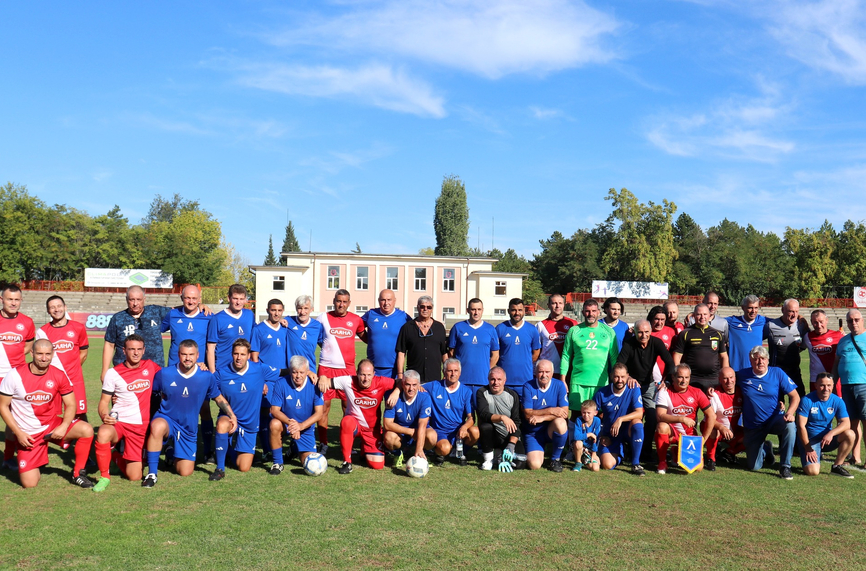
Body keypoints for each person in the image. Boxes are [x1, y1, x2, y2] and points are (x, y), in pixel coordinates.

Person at [0, 339, 94, 488]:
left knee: (86, 430)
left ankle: (78, 474)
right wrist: (18, 433)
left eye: (47, 354)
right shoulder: (14, 375)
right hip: (28, 434)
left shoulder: (58, 374)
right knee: (29, 484)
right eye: (39, 354)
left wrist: (64, 426)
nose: (44, 358)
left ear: (53, 354)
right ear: (31, 353)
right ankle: (36, 458)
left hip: (51, 425)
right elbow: (3, 407)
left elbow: (71, 404)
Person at [142, 340, 236, 487]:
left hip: (188, 428)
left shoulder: (206, 377)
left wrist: (232, 415)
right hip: (167, 420)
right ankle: (152, 474)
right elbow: (150, 395)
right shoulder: (164, 374)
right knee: (157, 426)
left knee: (185, 471)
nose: (187, 358)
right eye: (184, 354)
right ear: (178, 354)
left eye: (191, 355)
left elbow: (218, 398)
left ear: (197, 355)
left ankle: (170, 453)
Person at [92, 334, 160, 491]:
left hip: (139, 426)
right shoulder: (113, 373)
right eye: (131, 349)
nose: (135, 353)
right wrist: (104, 415)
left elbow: (172, 374)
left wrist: (199, 364)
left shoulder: (150, 366)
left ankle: (114, 456)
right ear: (124, 351)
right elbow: (103, 402)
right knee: (103, 432)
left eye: (138, 349)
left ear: (144, 350)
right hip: (119, 422)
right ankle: (104, 477)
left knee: (134, 476)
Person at [210, 339, 280, 481]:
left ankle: (229, 450)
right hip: (229, 417)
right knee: (222, 424)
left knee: (244, 467)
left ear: (249, 356)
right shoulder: (222, 373)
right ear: (232, 354)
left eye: (242, 354)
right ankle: (220, 469)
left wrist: (308, 372)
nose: (238, 357)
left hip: (249, 425)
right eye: (236, 354)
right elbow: (212, 390)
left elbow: (283, 372)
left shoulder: (259, 369)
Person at [316, 359, 396, 474]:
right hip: (355, 426)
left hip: (372, 431)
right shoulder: (348, 380)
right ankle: (347, 462)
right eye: (362, 374)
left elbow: (400, 382)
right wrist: (323, 377)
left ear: (374, 374)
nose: (365, 378)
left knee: (377, 465)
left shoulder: (381, 382)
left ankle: (364, 448)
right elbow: (326, 382)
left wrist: (396, 392)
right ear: (357, 373)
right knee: (346, 421)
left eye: (369, 375)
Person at [204, 284, 255, 462]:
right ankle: (218, 449)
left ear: (246, 300)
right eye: (235, 298)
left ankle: (240, 446)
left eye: (242, 299)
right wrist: (212, 374)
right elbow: (211, 348)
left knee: (244, 407)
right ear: (228, 298)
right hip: (223, 373)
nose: (238, 302)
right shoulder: (218, 319)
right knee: (223, 410)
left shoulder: (249, 315)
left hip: (244, 372)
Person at [314, 289, 365, 455]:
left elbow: (368, 338)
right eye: (338, 301)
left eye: (344, 302)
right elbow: (311, 333)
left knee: (348, 407)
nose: (341, 304)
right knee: (324, 407)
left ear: (349, 303)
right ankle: (324, 443)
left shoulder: (356, 320)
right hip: (326, 369)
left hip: (348, 370)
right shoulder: (323, 318)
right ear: (334, 301)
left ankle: (348, 442)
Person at [616, 318, 675, 461]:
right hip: (630, 386)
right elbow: (619, 364)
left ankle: (646, 450)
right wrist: (628, 377)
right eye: (640, 332)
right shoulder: (629, 344)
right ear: (634, 332)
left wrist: (666, 380)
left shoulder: (656, 343)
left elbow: (670, 362)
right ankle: (629, 448)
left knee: (652, 417)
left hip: (649, 386)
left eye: (646, 332)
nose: (643, 335)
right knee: (632, 417)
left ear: (650, 332)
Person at [738, 345, 800, 480]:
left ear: (768, 360)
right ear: (750, 361)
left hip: (774, 420)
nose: (760, 362)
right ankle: (766, 449)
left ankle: (785, 466)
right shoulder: (742, 375)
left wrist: (789, 413)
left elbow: (795, 396)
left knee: (790, 426)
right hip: (753, 425)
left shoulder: (777, 372)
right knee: (754, 466)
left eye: (763, 358)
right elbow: (728, 383)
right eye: (756, 359)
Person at [560, 299, 618, 416]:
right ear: (582, 312)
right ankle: (575, 435)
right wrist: (563, 380)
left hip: (601, 382)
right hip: (578, 382)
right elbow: (566, 356)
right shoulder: (574, 331)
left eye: (593, 311)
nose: (590, 314)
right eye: (587, 311)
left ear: (598, 312)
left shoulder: (609, 332)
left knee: (600, 415)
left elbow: (614, 358)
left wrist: (615, 379)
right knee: (577, 415)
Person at [654, 364, 716, 474]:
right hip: (672, 433)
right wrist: (681, 419)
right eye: (680, 377)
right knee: (661, 426)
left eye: (687, 377)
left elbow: (711, 415)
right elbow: (660, 416)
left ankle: (676, 451)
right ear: (673, 377)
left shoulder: (697, 392)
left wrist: (703, 440)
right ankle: (662, 462)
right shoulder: (664, 391)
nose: (684, 381)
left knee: (698, 468)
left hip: (689, 437)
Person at [267, 356, 324, 475]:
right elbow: (274, 410)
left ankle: (294, 448)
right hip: (286, 423)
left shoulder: (314, 385)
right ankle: (278, 463)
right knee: (274, 424)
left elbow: (319, 413)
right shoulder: (281, 383)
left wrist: (301, 426)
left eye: (302, 372)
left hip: (305, 427)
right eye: (295, 372)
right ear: (290, 370)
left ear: (307, 372)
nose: (298, 376)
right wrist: (293, 424)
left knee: (307, 463)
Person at [1, 284, 36, 470]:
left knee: (13, 419)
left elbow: (29, 343)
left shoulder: (27, 322)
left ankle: (8, 458)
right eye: (9, 299)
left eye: (16, 300)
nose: (13, 303)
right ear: (2, 300)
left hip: (15, 378)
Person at [37, 295, 90, 419]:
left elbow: (84, 352)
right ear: (48, 311)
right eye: (52, 307)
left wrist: (72, 369)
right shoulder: (42, 332)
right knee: (53, 416)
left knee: (79, 416)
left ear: (65, 307)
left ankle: (79, 438)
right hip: (52, 381)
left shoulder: (78, 328)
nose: (57, 309)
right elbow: (41, 358)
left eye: (59, 306)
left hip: (74, 380)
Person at [102, 285, 171, 378]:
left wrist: (197, 303)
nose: (135, 303)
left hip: (154, 372)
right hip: (125, 374)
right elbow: (109, 344)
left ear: (144, 299)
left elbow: (180, 311)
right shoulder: (117, 318)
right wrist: (104, 371)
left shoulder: (156, 312)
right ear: (126, 299)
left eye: (138, 299)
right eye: (132, 300)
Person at [250, 298, 289, 456]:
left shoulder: (286, 328)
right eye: (273, 310)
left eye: (279, 310)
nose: (276, 313)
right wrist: (261, 381)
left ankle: (281, 447)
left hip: (285, 379)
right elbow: (254, 358)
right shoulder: (259, 330)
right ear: (267, 310)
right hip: (268, 380)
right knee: (266, 413)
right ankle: (266, 449)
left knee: (285, 413)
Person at [797, 372, 855, 478]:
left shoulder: (837, 401)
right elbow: (801, 426)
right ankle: (805, 452)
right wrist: (808, 448)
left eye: (829, 385)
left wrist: (831, 433)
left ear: (833, 386)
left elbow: (846, 423)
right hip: (810, 441)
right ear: (816, 385)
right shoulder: (806, 400)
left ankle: (837, 466)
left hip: (827, 440)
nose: (826, 388)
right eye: (822, 385)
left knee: (850, 434)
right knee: (813, 472)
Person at [593, 363, 646, 475]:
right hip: (610, 433)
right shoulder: (602, 392)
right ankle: (623, 451)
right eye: (616, 376)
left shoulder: (633, 389)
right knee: (607, 465)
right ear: (611, 376)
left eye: (622, 377)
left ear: (627, 376)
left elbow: (639, 413)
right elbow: (593, 416)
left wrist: (620, 419)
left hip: (628, 430)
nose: (620, 380)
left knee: (638, 423)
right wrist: (601, 436)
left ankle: (635, 464)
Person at [424, 358, 478, 467]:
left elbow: (471, 418)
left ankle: (459, 451)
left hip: (458, 432)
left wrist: (464, 427)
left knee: (475, 432)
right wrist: (397, 391)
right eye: (449, 371)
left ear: (460, 372)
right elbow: (414, 385)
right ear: (444, 372)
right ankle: (438, 451)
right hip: (440, 431)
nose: (453, 374)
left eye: (456, 371)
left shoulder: (466, 391)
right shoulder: (434, 386)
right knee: (444, 449)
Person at [521, 360, 569, 472]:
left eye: (547, 372)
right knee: (535, 465)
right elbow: (527, 413)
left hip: (550, 429)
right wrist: (551, 410)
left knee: (561, 423)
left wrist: (541, 417)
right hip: (533, 432)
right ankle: (535, 447)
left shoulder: (559, 385)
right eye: (541, 372)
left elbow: (564, 413)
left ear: (552, 373)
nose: (544, 375)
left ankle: (555, 459)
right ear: (536, 372)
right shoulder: (528, 386)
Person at [832, 309, 866, 466]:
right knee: (851, 423)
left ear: (862, 320)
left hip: (863, 386)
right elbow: (836, 364)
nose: (854, 323)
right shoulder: (843, 341)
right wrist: (833, 383)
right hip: (846, 386)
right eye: (850, 321)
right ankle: (855, 456)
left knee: (865, 422)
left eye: (856, 319)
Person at [448, 298, 499, 401]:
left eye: (479, 309)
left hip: (482, 381)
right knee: (460, 413)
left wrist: (486, 370)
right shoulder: (458, 327)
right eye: (473, 309)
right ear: (468, 310)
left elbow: (495, 354)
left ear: (482, 310)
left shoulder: (490, 329)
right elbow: (451, 352)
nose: (476, 312)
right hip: (462, 380)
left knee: (481, 414)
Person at [475, 366, 524, 471]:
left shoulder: (512, 395)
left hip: (508, 436)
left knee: (520, 464)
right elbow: (484, 414)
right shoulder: (482, 392)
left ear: (505, 381)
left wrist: (511, 445)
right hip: (492, 436)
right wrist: (502, 417)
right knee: (485, 426)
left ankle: (500, 455)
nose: (495, 382)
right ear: (488, 380)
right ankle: (488, 459)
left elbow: (517, 422)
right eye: (492, 379)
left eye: (499, 379)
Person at [672, 303, 729, 391]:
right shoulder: (685, 333)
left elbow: (723, 356)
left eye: (705, 314)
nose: (702, 317)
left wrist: (725, 375)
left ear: (709, 315)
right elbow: (677, 356)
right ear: (694, 316)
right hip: (693, 379)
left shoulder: (717, 334)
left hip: (713, 379)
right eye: (699, 314)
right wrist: (677, 375)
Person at [383, 369, 433, 467]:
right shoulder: (393, 397)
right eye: (407, 384)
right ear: (402, 384)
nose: (411, 388)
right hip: (401, 434)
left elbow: (422, 425)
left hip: (418, 431)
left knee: (432, 436)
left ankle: (421, 454)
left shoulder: (425, 397)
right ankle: (398, 454)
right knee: (389, 437)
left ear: (419, 385)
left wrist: (419, 448)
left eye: (414, 385)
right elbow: (387, 424)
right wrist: (410, 431)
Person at [396, 296, 449, 384]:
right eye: (422, 306)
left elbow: (444, 353)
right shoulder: (407, 327)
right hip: (413, 379)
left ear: (432, 309)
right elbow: (401, 353)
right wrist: (400, 375)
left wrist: (446, 373)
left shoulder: (439, 328)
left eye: (429, 307)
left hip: (434, 378)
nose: (425, 309)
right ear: (418, 307)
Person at [764, 299, 809, 395]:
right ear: (783, 310)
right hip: (776, 373)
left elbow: (811, 339)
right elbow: (756, 339)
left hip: (795, 371)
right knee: (777, 404)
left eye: (797, 311)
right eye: (791, 311)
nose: (794, 315)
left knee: (800, 401)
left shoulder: (801, 325)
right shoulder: (771, 326)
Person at [361, 289, 411, 378]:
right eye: (383, 300)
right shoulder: (371, 314)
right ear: (378, 301)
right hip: (373, 369)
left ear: (394, 301)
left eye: (389, 300)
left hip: (395, 369)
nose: (386, 303)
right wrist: (369, 340)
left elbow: (413, 333)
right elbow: (357, 327)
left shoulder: (404, 317)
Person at [161, 285, 212, 367]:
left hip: (200, 367)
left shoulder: (208, 316)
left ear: (199, 299)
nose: (191, 302)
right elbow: (156, 330)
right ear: (181, 298)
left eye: (194, 298)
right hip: (175, 367)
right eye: (187, 298)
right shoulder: (172, 315)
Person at [496, 298, 541, 390]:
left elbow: (536, 353)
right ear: (508, 311)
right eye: (513, 310)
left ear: (524, 311)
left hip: (525, 381)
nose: (517, 313)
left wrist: (524, 362)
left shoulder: (532, 329)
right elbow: (495, 353)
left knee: (525, 405)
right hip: (504, 382)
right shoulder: (500, 329)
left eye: (520, 310)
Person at [705, 367, 744, 466]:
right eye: (725, 378)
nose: (729, 381)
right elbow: (709, 419)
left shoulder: (742, 392)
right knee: (713, 431)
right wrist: (722, 428)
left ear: (735, 378)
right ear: (719, 380)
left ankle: (729, 452)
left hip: (733, 430)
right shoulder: (714, 395)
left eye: (731, 377)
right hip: (716, 429)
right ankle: (711, 458)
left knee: (752, 435)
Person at [536, 294, 577, 381]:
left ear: (564, 304)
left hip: (568, 371)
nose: (557, 306)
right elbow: (536, 351)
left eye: (560, 303)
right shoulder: (540, 325)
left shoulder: (573, 324)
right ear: (548, 305)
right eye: (554, 303)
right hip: (548, 372)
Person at [804, 309, 843, 395]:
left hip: (834, 379)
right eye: (815, 322)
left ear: (826, 320)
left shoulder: (838, 336)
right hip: (816, 379)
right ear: (811, 322)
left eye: (821, 322)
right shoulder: (807, 336)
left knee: (836, 404)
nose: (819, 325)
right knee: (816, 405)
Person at [725, 295, 766, 371]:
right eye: (750, 308)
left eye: (756, 308)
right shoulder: (732, 321)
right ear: (743, 307)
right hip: (736, 370)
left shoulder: (763, 321)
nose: (753, 311)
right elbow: (714, 321)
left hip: (755, 370)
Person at [285, 295, 325, 372]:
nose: (302, 312)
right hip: (291, 370)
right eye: (300, 308)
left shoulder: (317, 326)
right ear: (296, 308)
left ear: (312, 309)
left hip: (310, 370)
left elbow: (325, 345)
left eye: (306, 308)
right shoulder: (288, 321)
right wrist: (279, 321)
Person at [572, 400, 601, 472]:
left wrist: (594, 454)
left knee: (595, 468)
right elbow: (576, 437)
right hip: (580, 447)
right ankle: (578, 463)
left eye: (589, 413)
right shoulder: (579, 420)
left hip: (591, 449)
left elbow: (596, 439)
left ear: (595, 413)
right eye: (583, 412)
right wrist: (589, 434)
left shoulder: (597, 421)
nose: (586, 415)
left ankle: (584, 458)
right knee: (578, 443)